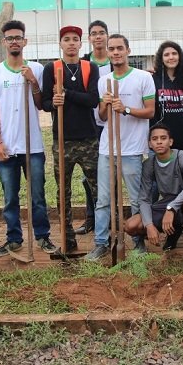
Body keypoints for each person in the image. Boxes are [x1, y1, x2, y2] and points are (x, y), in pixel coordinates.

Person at [85, 34, 156, 261]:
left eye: (119, 48)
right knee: (103, 200)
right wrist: (105, 104)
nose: (115, 52)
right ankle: (101, 243)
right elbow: (102, 117)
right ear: (107, 52)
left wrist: (125, 109)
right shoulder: (103, 81)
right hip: (108, 149)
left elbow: (150, 111)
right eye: (112, 49)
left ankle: (138, 243)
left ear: (128, 50)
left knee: (136, 199)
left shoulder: (143, 77)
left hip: (132, 150)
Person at [0, 20, 55, 257]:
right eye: (10, 38)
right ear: (4, 42)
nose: (14, 41)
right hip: (7, 146)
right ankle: (14, 239)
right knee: (9, 197)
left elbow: (41, 104)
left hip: (32, 145)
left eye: (18, 37)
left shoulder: (36, 69)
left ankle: (42, 236)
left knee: (37, 196)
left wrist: (33, 82)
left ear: (25, 41)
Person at [42, 25, 100, 252]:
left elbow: (93, 100)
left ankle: (102, 238)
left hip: (88, 139)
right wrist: (53, 103)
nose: (71, 43)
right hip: (62, 140)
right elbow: (45, 103)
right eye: (66, 39)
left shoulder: (89, 67)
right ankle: (68, 239)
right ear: (60, 44)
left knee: (97, 189)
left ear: (81, 43)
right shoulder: (52, 68)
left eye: (75, 39)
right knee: (63, 191)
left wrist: (67, 93)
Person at [125, 123, 183, 268]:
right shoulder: (149, 163)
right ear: (150, 144)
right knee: (131, 225)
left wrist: (171, 208)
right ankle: (174, 232)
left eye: (163, 138)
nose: (159, 142)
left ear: (170, 141)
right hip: (166, 202)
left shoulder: (182, 156)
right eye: (155, 139)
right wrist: (149, 225)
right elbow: (144, 198)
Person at [77, 19, 112, 236]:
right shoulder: (83, 63)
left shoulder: (115, 60)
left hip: (112, 123)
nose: (98, 37)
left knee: (110, 174)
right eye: (94, 33)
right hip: (89, 126)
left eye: (101, 33)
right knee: (89, 174)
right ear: (89, 39)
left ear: (107, 36)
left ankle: (111, 217)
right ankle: (91, 217)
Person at [151, 41, 183, 154]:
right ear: (161, 58)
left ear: (180, 56)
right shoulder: (153, 79)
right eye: (166, 55)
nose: (171, 57)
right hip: (161, 138)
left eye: (174, 53)